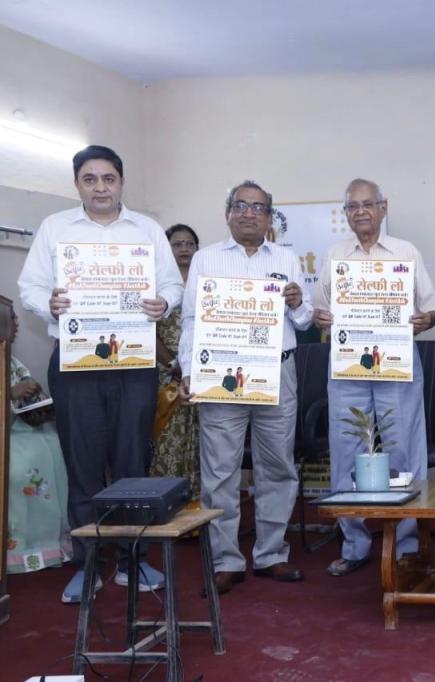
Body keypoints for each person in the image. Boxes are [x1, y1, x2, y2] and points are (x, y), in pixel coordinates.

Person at [18, 145, 183, 603]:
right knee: (84, 463)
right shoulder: (56, 228)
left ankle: (135, 561)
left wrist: (164, 302)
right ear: (77, 185)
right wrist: (45, 303)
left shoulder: (146, 229)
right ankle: (88, 563)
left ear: (121, 182)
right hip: (76, 362)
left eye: (108, 178)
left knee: (133, 459)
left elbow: (173, 283)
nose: (100, 187)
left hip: (133, 362)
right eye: (90, 179)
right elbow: (29, 285)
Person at [178, 180, 313, 595]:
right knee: (220, 471)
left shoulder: (287, 258)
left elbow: (305, 321)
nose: (249, 213)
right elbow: (190, 321)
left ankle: (271, 554)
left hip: (277, 373)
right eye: (241, 205)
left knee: (278, 467)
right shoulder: (206, 258)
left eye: (258, 208)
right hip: (221, 376)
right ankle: (225, 560)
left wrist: (296, 303)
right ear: (228, 212)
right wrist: (187, 370)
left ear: (270, 218)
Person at [313, 178, 435, 576]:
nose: (361, 212)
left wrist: (425, 319)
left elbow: (431, 308)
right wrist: (321, 318)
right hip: (349, 365)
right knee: (347, 451)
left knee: (404, 452)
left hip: (397, 364)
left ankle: (404, 545)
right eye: (353, 206)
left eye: (368, 204)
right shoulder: (334, 254)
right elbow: (320, 313)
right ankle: (354, 543)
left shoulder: (405, 252)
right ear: (346, 213)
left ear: (384, 208)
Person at [6, 310, 72, 575]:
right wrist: (10, 393)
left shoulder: (11, 361)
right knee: (22, 464)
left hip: (26, 428)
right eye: (9, 321)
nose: (15, 325)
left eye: (13, 320)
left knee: (56, 446)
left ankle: (53, 545)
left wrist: (39, 405)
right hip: (6, 436)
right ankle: (20, 549)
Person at [151, 224, 201, 499]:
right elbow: (149, 332)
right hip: (167, 376)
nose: (184, 249)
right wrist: (174, 365)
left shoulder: (205, 282)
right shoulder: (157, 286)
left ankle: (199, 508)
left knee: (203, 444)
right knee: (168, 442)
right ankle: (167, 504)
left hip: (202, 376)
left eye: (189, 244)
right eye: (177, 244)